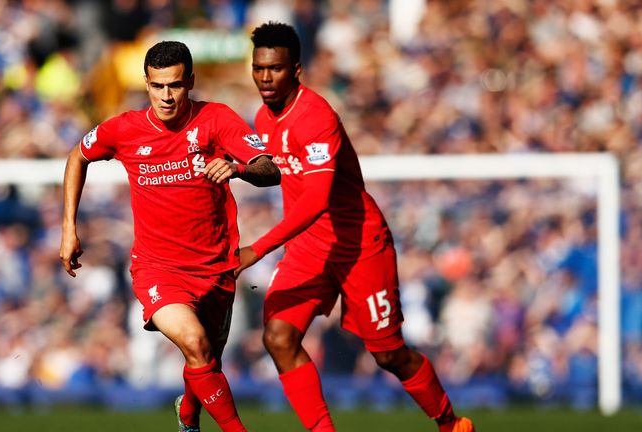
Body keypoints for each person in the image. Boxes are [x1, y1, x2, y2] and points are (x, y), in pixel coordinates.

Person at [235, 22, 475, 432]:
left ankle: (451, 423)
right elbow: (282, 169)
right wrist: (240, 169)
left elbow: (316, 198)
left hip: (360, 244)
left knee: (387, 355)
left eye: (274, 68)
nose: (264, 77)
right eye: (259, 68)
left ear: (296, 70)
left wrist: (256, 250)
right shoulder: (263, 116)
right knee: (278, 337)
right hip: (310, 249)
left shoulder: (316, 116)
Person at [59, 40, 280, 432]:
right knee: (195, 343)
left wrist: (238, 168)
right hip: (158, 268)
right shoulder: (124, 129)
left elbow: (269, 169)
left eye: (175, 85)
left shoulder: (216, 119)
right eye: (158, 86)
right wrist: (68, 229)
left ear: (190, 82)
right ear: (146, 83)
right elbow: (78, 155)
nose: (166, 96)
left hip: (215, 266)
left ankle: (188, 414)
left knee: (206, 357)